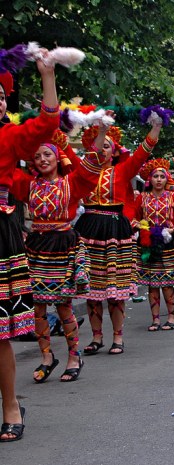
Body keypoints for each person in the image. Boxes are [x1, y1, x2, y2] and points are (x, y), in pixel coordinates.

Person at [14, 127, 109, 384]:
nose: (42, 159)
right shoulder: (28, 185)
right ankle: (47, 357)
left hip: (63, 246)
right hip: (36, 248)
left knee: (64, 306)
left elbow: (92, 159)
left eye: (47, 154)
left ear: (57, 158)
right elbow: (5, 169)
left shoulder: (72, 182)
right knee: (37, 306)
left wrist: (102, 131)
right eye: (37, 156)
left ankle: (74, 356)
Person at [0, 53, 58, 442]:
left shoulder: (7, 137)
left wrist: (47, 76)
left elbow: (48, 122)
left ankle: (10, 406)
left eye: (0, 96)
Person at [75, 118, 162, 356]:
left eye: (106, 145)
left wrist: (155, 128)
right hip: (89, 229)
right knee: (90, 289)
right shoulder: (83, 170)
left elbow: (143, 153)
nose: (102, 148)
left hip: (115, 230)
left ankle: (117, 336)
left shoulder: (123, 170)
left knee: (115, 290)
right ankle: (96, 337)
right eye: (98, 144)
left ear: (114, 151)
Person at [132, 159, 174, 331]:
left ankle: (172, 316)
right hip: (147, 242)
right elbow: (132, 218)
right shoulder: (142, 198)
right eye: (155, 176)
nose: (159, 179)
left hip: (169, 243)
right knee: (152, 283)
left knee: (166, 282)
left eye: (162, 176)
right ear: (150, 179)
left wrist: (172, 230)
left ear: (167, 179)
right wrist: (142, 227)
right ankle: (155, 319)